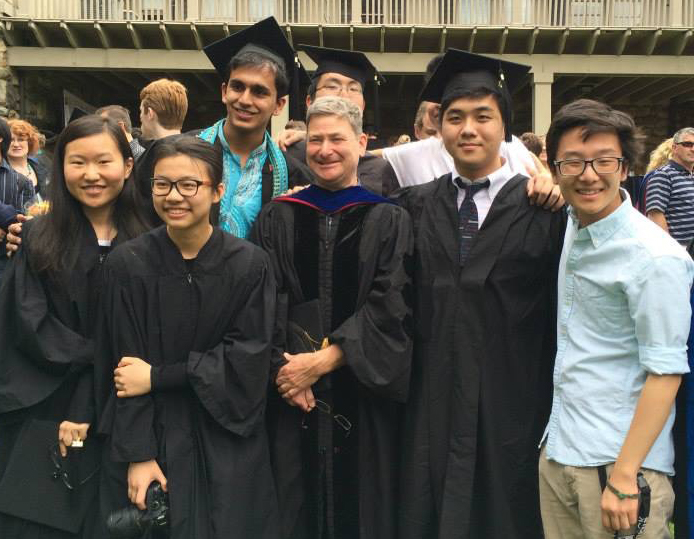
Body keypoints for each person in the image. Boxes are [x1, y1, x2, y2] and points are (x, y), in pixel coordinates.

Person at [394, 49, 566, 539]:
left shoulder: (543, 208)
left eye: (482, 116)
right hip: (430, 397)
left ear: (505, 129)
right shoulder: (412, 206)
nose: (468, 129)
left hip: (510, 397)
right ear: (439, 128)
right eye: (455, 117)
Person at [96, 136, 279, 539]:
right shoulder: (128, 265)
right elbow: (123, 371)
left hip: (227, 437)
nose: (174, 196)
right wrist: (137, 455)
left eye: (189, 185)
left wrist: (159, 377)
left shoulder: (249, 266)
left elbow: (246, 359)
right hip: (155, 436)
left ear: (217, 191)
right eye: (162, 185)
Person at [251, 96, 413, 539]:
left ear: (361, 143)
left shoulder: (389, 219)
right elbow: (265, 299)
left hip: (361, 392)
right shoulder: (279, 216)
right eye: (315, 140)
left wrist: (325, 361)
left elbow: (391, 302)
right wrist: (285, 370)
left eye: (337, 139)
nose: (324, 150)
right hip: (290, 397)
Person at [539, 98, 694, 539]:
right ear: (555, 169)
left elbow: (665, 371)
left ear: (625, 167)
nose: (589, 174)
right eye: (572, 162)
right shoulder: (573, 224)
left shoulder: (655, 257)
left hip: (620, 467)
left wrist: (625, 477)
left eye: (604, 160)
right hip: (560, 451)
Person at [0, 114, 147, 538]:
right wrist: (99, 363)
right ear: (60, 166)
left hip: (130, 410)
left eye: (104, 161)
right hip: (51, 402)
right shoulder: (38, 237)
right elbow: (28, 323)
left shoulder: (153, 238)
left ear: (128, 165)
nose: (91, 174)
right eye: (77, 162)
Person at [197, 16, 312, 239]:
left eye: (259, 92)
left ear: (279, 105)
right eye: (237, 87)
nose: (245, 100)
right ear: (224, 91)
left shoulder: (294, 175)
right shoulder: (185, 151)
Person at [275, 45, 401, 196]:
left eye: (353, 89)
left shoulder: (380, 170)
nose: (343, 96)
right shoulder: (284, 156)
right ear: (310, 101)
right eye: (332, 86)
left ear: (363, 106)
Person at [134, 78, 189, 226]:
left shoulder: (149, 158)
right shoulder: (200, 152)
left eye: (141, 112)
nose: (140, 118)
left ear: (150, 113)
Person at [645, 127, 694, 244]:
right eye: (687, 144)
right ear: (674, 148)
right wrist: (670, 250)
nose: (693, 149)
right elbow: (654, 215)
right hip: (681, 251)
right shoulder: (663, 174)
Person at [7, 118, 49, 196]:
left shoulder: (38, 165)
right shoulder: (2, 171)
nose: (16, 144)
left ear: (30, 143)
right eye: (11, 140)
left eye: (21, 140)